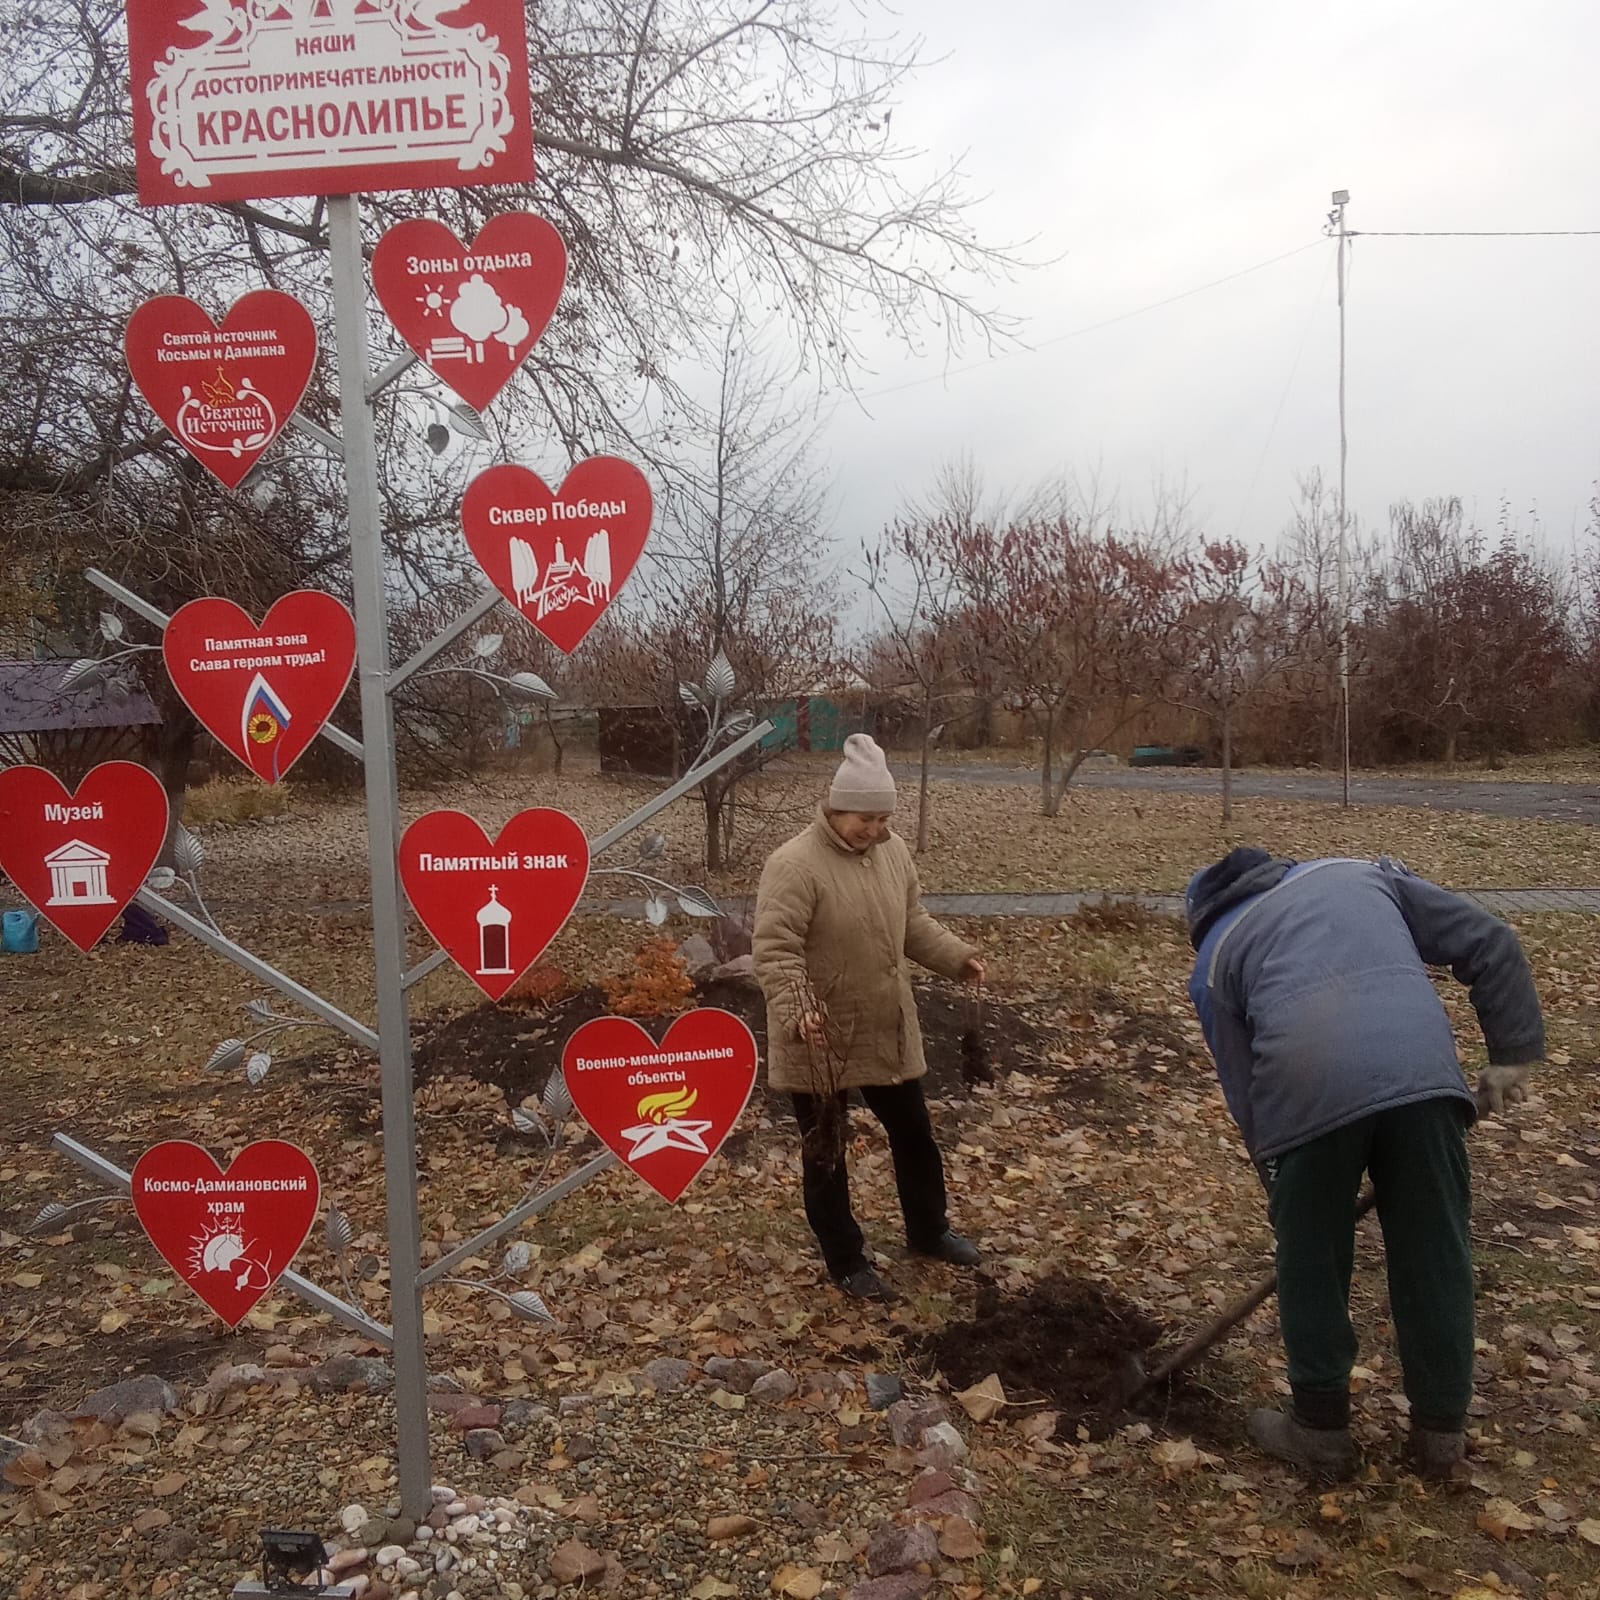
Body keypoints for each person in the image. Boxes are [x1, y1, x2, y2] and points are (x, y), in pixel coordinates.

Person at [1184, 848, 1545, 1479]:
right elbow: (1488, 938)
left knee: (1312, 1261)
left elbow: (1245, 1091)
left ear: (1203, 916)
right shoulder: (1360, 875)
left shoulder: (1213, 958)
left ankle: (1320, 1430)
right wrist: (1512, 1054)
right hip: (1423, 1079)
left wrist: (1281, 1185)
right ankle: (1440, 1434)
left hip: (1305, 1094)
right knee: (1436, 1252)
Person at [753, 733, 987, 1300]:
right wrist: (800, 1008)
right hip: (820, 1037)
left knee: (915, 1136)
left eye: (884, 818)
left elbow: (912, 924)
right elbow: (775, 950)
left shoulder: (894, 853)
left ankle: (930, 1231)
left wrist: (957, 957)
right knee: (828, 1153)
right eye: (866, 817)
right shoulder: (793, 865)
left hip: (885, 1025)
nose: (876, 829)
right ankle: (847, 1260)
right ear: (835, 808)